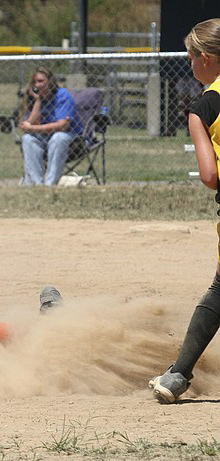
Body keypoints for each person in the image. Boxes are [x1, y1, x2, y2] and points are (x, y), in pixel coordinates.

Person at [149, 19, 220, 404]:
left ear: (206, 59)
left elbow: (210, 175)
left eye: (191, 57)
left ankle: (178, 375)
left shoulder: (204, 105)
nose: (189, 64)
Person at [19, 66, 83, 186]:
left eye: (41, 81)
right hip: (45, 138)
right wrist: (38, 101)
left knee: (58, 137)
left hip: (72, 140)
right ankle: (37, 184)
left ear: (50, 82)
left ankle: (50, 184)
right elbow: (30, 125)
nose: (37, 85)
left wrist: (32, 128)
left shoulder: (62, 95)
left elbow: (62, 126)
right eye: (35, 82)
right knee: (27, 139)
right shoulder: (35, 98)